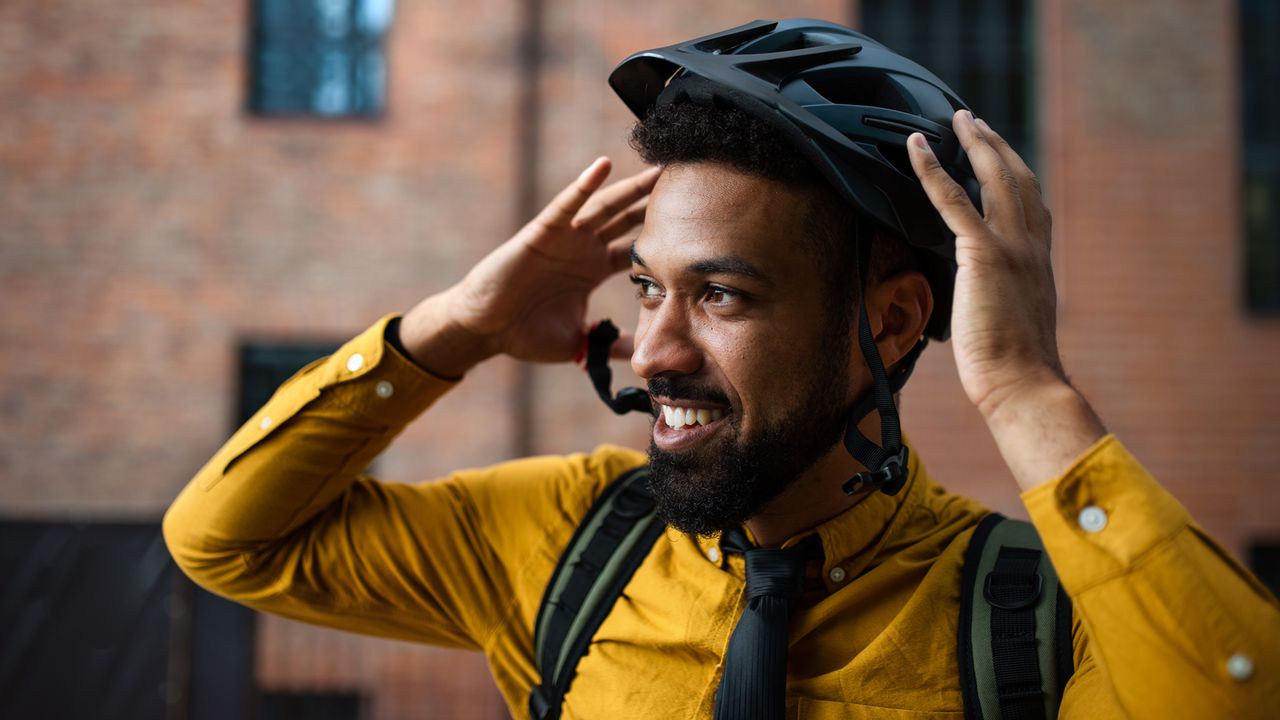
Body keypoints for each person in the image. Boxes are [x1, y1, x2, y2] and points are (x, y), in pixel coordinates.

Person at [164, 19, 1279, 719]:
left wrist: (1026, 393)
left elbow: (1237, 695)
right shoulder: (562, 539)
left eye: (722, 295)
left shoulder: (1034, 614)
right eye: (647, 287)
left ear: (892, 325)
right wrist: (455, 326)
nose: (653, 352)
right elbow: (224, 540)